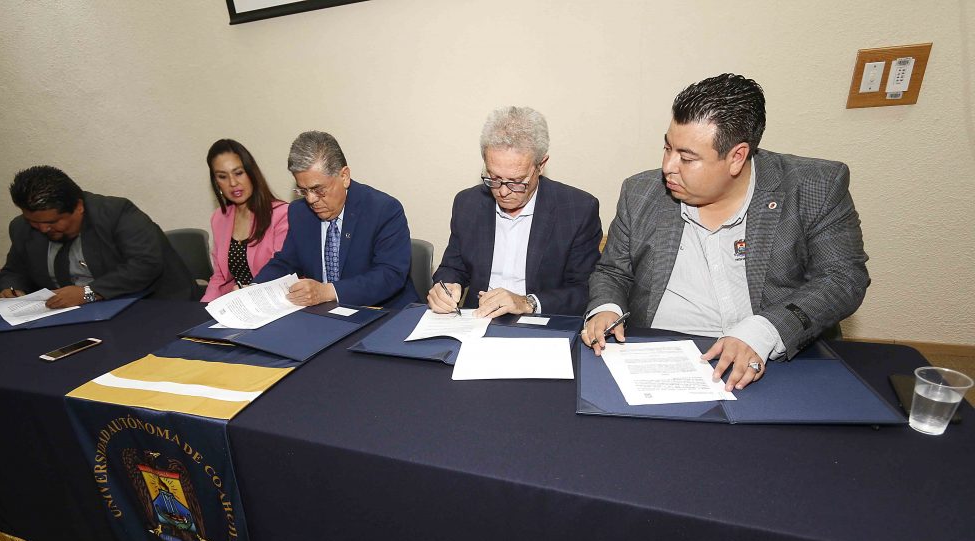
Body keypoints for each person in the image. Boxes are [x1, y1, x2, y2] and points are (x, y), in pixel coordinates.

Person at [583, 74, 870, 390]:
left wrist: (764, 331)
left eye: (687, 157)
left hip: (774, 362)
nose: (668, 166)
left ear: (737, 157)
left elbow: (843, 279)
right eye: (667, 148)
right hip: (660, 360)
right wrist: (606, 308)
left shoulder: (814, 187)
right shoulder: (641, 192)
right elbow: (613, 272)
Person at [428, 106, 602, 318]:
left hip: (539, 323)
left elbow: (584, 290)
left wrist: (527, 303)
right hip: (476, 321)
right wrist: (445, 287)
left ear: (541, 165)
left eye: (517, 181)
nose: (502, 192)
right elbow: (453, 267)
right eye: (493, 178)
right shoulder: (468, 203)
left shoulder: (578, 210)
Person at [255, 131, 418, 308]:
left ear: (344, 176)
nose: (311, 199)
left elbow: (390, 275)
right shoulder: (300, 212)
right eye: (303, 190)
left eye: (318, 190)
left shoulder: (383, 209)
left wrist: (327, 292)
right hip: (327, 314)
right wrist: (253, 289)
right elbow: (286, 262)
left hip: (384, 311)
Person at [0, 166, 196, 307]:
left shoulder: (117, 214)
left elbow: (145, 264)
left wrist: (89, 293)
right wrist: (11, 289)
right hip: (71, 318)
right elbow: (14, 271)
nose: (42, 229)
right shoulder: (22, 228)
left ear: (78, 207)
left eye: (52, 222)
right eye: (33, 221)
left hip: (146, 308)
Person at [202, 139, 290, 302]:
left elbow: (283, 272)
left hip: (275, 302)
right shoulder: (219, 218)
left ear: (251, 173)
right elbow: (219, 277)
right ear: (216, 182)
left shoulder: (281, 214)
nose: (233, 183)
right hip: (237, 304)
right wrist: (204, 308)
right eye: (222, 176)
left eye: (238, 173)